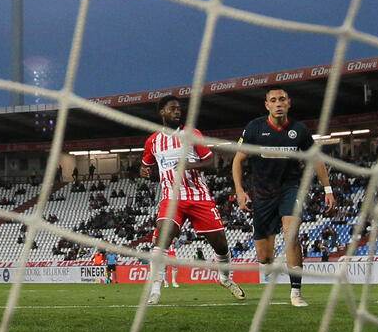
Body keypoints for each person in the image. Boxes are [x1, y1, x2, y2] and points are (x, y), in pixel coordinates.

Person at [233, 87, 335, 308]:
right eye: (273, 100)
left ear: (289, 103)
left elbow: (316, 160)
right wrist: (240, 192)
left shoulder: (299, 130)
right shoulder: (254, 128)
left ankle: (296, 293)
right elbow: (238, 160)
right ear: (267, 105)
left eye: (282, 99)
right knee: (265, 257)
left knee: (291, 234)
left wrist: (328, 190)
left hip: (290, 189)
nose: (278, 103)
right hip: (262, 194)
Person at [140, 95, 246, 305]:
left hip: (199, 197)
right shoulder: (153, 141)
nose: (177, 111)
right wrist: (145, 172)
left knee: (221, 245)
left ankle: (224, 278)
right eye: (172, 108)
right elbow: (147, 166)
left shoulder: (192, 133)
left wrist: (188, 165)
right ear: (162, 112)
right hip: (171, 198)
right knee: (162, 240)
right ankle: (154, 290)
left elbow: (209, 159)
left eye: (179, 108)